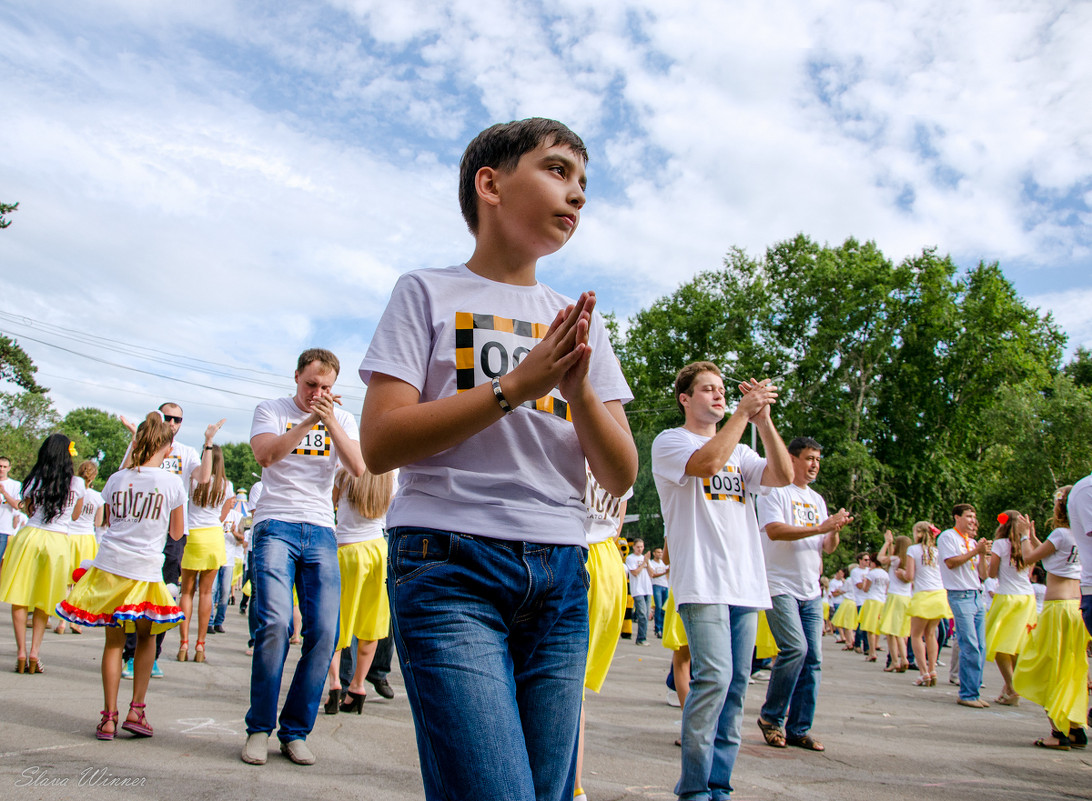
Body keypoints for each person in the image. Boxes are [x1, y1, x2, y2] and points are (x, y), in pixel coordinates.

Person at [359, 118, 637, 801]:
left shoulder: (579, 321)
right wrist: (517, 386)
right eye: (556, 170)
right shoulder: (424, 292)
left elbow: (621, 471)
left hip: (562, 572)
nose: (575, 195)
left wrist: (579, 395)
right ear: (491, 183)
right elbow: (380, 441)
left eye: (582, 183)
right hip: (448, 562)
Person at [651, 360, 792, 801]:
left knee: (735, 688)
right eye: (707, 389)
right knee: (713, 678)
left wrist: (763, 421)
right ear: (685, 398)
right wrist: (741, 415)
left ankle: (720, 786)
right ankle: (693, 789)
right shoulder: (671, 441)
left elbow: (784, 476)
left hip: (745, 582)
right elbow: (709, 464)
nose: (718, 394)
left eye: (722, 389)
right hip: (702, 581)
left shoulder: (744, 451)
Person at [242, 348, 365, 767]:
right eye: (311, 384)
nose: (317, 392)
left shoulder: (342, 419)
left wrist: (331, 421)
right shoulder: (271, 409)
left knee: (325, 634)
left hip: (320, 529)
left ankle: (295, 731)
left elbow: (359, 467)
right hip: (275, 522)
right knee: (275, 623)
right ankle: (259, 728)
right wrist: (311, 419)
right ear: (296, 377)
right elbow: (266, 455)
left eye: (326, 387)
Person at [55, 412, 186, 739]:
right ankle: (136, 711)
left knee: (113, 642)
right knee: (146, 638)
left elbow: (110, 521)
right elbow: (177, 532)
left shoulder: (115, 479)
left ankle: (108, 718)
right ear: (168, 449)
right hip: (144, 571)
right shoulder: (172, 483)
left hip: (110, 565)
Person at [755, 435, 849, 752]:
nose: (814, 465)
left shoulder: (817, 500)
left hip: (810, 589)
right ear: (792, 459)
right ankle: (771, 719)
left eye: (818, 460)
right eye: (809, 458)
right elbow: (775, 530)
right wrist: (821, 528)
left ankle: (798, 728)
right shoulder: (774, 490)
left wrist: (833, 530)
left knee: (813, 659)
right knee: (794, 648)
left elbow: (827, 546)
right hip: (778, 584)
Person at [0, 433, 84, 673]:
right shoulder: (76, 484)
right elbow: (76, 516)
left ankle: (21, 653)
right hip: (57, 542)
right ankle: (35, 653)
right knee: (44, 599)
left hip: (30, 537)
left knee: (20, 596)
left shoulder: (34, 480)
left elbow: (27, 509)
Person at [1013, 491, 1088, 749]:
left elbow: (1028, 559)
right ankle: (1076, 727)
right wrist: (1035, 538)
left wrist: (1023, 536)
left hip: (1057, 610)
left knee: (1050, 667)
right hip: (1077, 607)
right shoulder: (1080, 535)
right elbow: (1053, 558)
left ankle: (1059, 733)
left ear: (1060, 508)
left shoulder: (1060, 534)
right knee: (1072, 667)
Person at [574, 467, 631, 801]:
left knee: (561, 680)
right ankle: (575, 784)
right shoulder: (615, 448)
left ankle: (572, 783)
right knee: (573, 684)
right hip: (610, 560)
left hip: (578, 550)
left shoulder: (569, 436)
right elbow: (618, 520)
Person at [324, 467, 394, 715]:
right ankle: (358, 686)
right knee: (371, 624)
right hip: (378, 550)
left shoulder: (343, 474)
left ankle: (334, 684)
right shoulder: (388, 476)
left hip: (348, 550)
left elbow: (330, 504)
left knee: (338, 621)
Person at [177, 444, 232, 662]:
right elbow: (222, 518)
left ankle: (183, 644)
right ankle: (201, 645)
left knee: (187, 593)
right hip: (213, 537)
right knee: (207, 593)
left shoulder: (192, 481)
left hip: (193, 535)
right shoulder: (226, 486)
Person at [938, 504, 991, 708]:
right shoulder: (948, 537)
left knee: (980, 646)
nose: (972, 520)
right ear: (957, 517)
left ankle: (974, 691)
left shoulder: (972, 541)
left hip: (977, 594)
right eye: (968, 516)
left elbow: (983, 575)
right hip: (960, 595)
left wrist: (983, 554)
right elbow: (951, 562)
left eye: (974, 517)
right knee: (969, 645)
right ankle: (967, 694)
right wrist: (975, 551)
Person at [985, 509, 1037, 706]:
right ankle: (1010, 688)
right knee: (1016, 645)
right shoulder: (1027, 544)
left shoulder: (999, 544)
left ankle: (1012, 687)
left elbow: (991, 573)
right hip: (1027, 597)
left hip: (1007, 596)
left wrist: (988, 559)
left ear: (1003, 525)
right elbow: (1031, 569)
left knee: (999, 645)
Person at [54, 460, 105, 635]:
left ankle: (61, 621)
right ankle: (76, 620)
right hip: (87, 537)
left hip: (70, 535)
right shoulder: (98, 497)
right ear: (94, 476)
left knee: (66, 580)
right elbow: (98, 523)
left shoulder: (72, 491)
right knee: (81, 581)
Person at [904, 521, 951, 687]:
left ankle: (923, 672)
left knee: (916, 635)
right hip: (939, 594)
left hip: (923, 594)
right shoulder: (937, 551)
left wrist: (901, 572)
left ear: (918, 533)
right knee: (931, 634)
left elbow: (909, 575)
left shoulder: (913, 550)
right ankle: (933, 669)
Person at [877, 531, 913, 673]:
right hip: (906, 598)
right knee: (900, 631)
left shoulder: (894, 560)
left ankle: (898, 660)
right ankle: (901, 658)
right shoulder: (907, 562)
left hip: (894, 597)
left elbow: (880, 558)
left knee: (891, 631)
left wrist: (887, 542)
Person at [859, 550, 889, 662]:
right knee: (877, 627)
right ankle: (876, 646)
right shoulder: (886, 574)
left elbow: (865, 589)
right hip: (882, 600)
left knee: (870, 628)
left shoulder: (871, 573)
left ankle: (872, 652)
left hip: (872, 600)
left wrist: (864, 583)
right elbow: (887, 589)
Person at [626, 537, 654, 645]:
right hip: (638, 589)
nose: (640, 549)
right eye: (638, 547)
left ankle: (643, 636)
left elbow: (652, 574)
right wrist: (643, 564)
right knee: (642, 613)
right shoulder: (630, 558)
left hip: (647, 589)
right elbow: (635, 572)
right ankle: (641, 638)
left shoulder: (645, 558)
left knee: (646, 615)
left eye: (641, 547)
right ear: (633, 547)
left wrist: (646, 563)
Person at [0, 455, 23, 577]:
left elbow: (17, 505)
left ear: (9, 468)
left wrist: (4, 493)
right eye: (0, 466)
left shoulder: (15, 485)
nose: (2, 469)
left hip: (4, 529)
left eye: (4, 466)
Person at [650, 546, 670, 638]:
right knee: (658, 607)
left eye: (661, 552)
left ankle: (663, 628)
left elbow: (668, 573)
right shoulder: (652, 563)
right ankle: (658, 628)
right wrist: (664, 572)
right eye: (658, 552)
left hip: (665, 586)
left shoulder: (664, 563)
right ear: (654, 553)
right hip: (656, 585)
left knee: (664, 609)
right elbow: (653, 575)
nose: (660, 554)